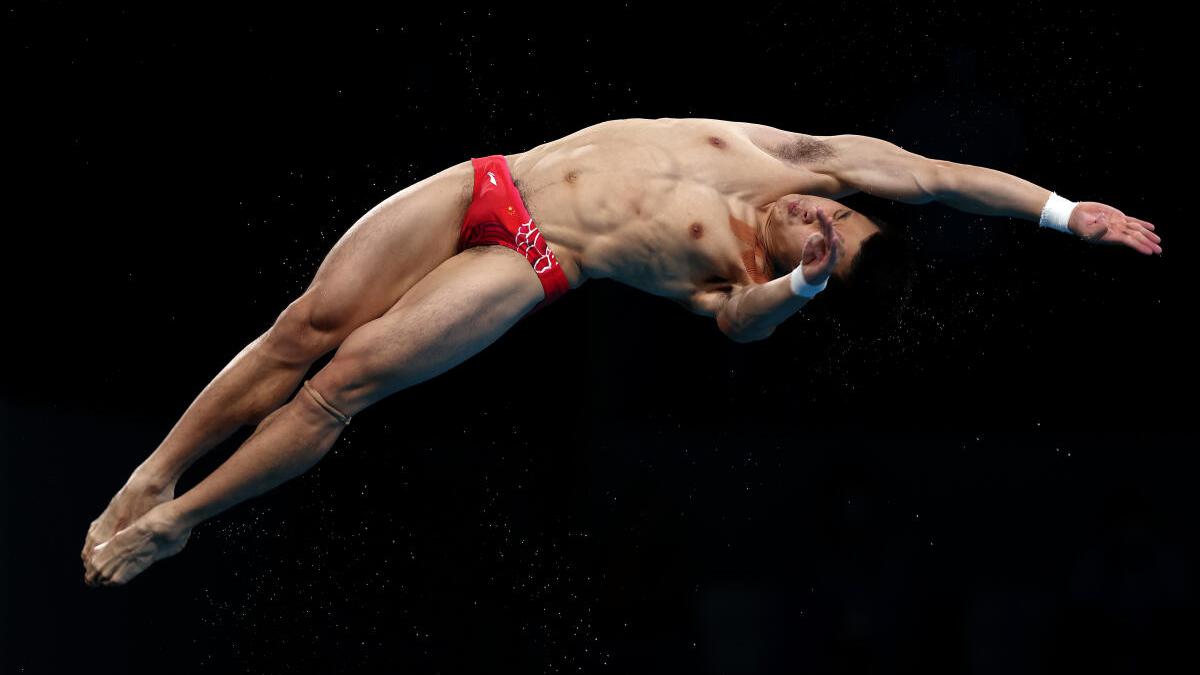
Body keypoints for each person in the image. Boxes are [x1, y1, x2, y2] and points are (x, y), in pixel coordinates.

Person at [81, 117, 1161, 586]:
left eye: (817, 238)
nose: (802, 213)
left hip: (533, 263)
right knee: (301, 330)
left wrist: (799, 280)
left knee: (340, 390)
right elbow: (939, 177)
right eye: (824, 216)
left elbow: (743, 329)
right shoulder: (803, 158)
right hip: (491, 180)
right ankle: (154, 471)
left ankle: (181, 521)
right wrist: (1067, 214)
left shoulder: (753, 284)